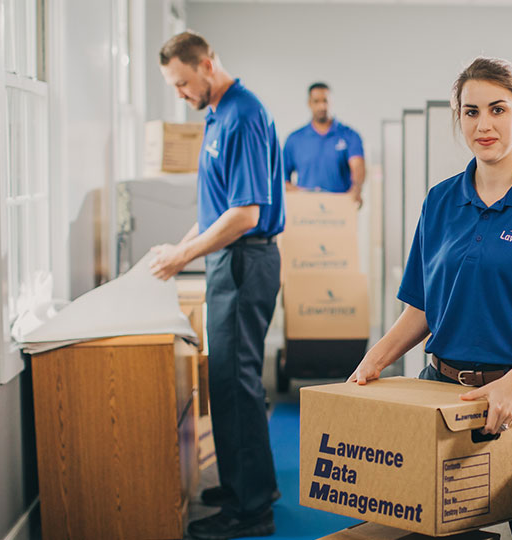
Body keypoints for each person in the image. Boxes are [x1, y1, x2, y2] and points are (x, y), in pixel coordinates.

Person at [348, 57, 512, 540]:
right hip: (443, 396)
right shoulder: (440, 201)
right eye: (471, 111)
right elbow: (421, 308)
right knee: (436, 533)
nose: (484, 124)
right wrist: (374, 359)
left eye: (498, 109)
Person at [151, 31, 284, 540]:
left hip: (244, 263)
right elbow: (216, 210)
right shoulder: (215, 115)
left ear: (207, 65)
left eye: (183, 83)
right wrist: (177, 249)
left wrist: (184, 255)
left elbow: (246, 214)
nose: (180, 95)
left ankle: (249, 513)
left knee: (233, 384)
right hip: (228, 261)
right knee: (231, 382)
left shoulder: (243, 114)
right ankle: (251, 486)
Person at [282, 82, 366, 205]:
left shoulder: (349, 135)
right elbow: (282, 178)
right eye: (316, 101)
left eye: (325, 101)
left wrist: (356, 189)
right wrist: (300, 193)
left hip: (339, 207)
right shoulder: (294, 139)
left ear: (331, 102)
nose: (322, 106)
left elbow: (357, 166)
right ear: (309, 103)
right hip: (305, 208)